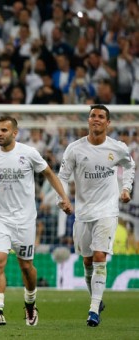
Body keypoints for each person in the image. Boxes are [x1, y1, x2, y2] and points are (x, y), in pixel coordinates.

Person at [0, 116, 73, 327]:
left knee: (26, 267)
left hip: (25, 220)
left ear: (14, 133)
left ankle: (30, 304)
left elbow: (48, 173)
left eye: (3, 130)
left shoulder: (28, 153)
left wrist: (63, 197)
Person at [57, 104, 135, 327]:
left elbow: (130, 166)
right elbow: (62, 176)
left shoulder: (117, 148)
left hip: (108, 211)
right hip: (83, 212)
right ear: (88, 120)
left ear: (108, 123)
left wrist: (126, 188)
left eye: (101, 116)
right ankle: (96, 299)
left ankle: (93, 310)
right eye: (93, 116)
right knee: (87, 260)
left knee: (100, 256)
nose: (96, 119)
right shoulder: (75, 148)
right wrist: (62, 198)